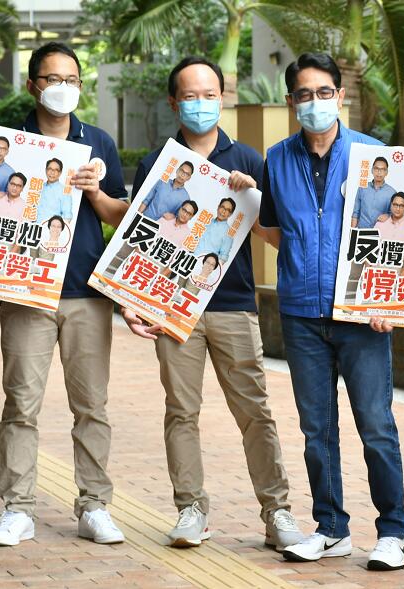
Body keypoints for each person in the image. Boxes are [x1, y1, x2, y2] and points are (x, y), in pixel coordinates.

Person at [120, 56, 302, 552]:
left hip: (234, 305)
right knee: (181, 411)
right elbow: (140, 238)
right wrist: (131, 301)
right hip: (172, 305)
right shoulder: (157, 164)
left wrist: (255, 196)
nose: (200, 104)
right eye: (190, 96)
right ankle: (191, 509)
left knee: (255, 412)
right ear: (173, 102)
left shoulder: (248, 159)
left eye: (209, 95)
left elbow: (276, 237)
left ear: (222, 98)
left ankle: (277, 512)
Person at [0, 41, 129, 547]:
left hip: (86, 294)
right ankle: (18, 509)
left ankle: (94, 507)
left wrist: (95, 191)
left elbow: (120, 215)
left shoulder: (98, 142)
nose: (63, 88)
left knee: (92, 406)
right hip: (26, 293)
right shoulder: (9, 145)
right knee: (21, 403)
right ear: (33, 85)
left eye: (72, 80)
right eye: (53, 79)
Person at [259, 52, 404, 571]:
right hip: (301, 313)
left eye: (324, 93)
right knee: (317, 431)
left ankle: (393, 532)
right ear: (291, 101)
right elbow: (275, 230)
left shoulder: (374, 156)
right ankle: (331, 529)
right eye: (304, 94)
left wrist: (388, 300)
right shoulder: (277, 159)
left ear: (340, 96)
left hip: (361, 315)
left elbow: (398, 237)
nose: (315, 102)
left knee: (376, 425)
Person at [351, 156, 395, 228]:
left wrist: (388, 216)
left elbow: (395, 215)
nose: (379, 172)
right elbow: (356, 213)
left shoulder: (392, 193)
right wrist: (352, 232)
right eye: (376, 168)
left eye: (382, 169)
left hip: (380, 232)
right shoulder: (362, 188)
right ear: (372, 170)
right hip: (361, 231)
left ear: (386, 172)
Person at [193, 197, 235, 264]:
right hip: (189, 257)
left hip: (203, 265)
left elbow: (223, 258)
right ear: (218, 207)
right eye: (222, 207)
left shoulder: (228, 233)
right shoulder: (207, 220)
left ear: (230, 214)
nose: (223, 211)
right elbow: (194, 236)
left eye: (228, 210)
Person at [36, 158, 73, 224]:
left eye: (56, 170)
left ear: (60, 173)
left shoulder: (65, 191)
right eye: (50, 169)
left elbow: (67, 217)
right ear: (46, 170)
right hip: (33, 227)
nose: (52, 172)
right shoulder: (39, 187)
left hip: (50, 228)